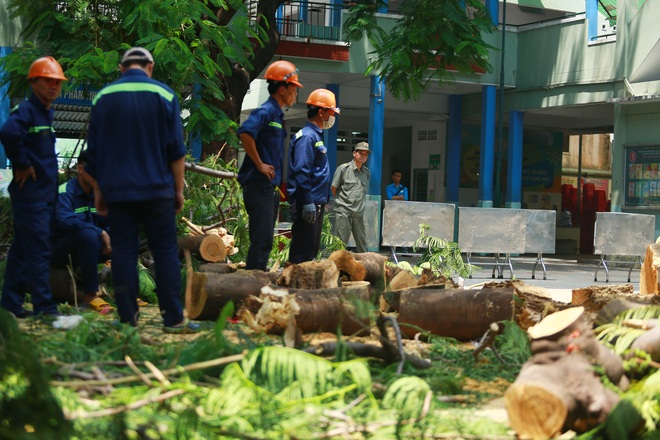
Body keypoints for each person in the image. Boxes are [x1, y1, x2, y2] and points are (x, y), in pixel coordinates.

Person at [85, 47, 197, 333]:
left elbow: (94, 155)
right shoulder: (165, 95)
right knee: (165, 252)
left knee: (123, 252)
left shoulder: (103, 97)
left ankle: (127, 319)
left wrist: (98, 191)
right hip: (157, 191)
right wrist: (177, 190)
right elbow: (176, 151)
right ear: (150, 66)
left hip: (118, 192)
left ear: (122, 68)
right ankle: (173, 319)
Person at [0, 56, 68, 318]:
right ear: (34, 82)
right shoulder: (27, 111)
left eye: (57, 82)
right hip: (31, 197)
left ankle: (10, 305)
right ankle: (45, 308)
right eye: (48, 81)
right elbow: (7, 132)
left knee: (20, 251)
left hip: (42, 195)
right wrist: (21, 163)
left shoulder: (45, 112)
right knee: (40, 250)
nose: (54, 87)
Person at [237, 60, 303, 270]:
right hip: (258, 186)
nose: (296, 94)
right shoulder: (266, 111)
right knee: (262, 239)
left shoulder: (277, 114)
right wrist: (260, 164)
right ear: (282, 89)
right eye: (294, 88)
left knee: (265, 239)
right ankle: (252, 286)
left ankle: (256, 282)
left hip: (268, 188)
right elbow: (245, 132)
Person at [50, 149, 113, 314]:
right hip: (59, 250)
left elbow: (108, 221)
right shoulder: (65, 192)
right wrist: (100, 232)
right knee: (88, 235)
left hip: (88, 248)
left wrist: (109, 235)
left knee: (125, 237)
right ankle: (90, 294)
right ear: (80, 169)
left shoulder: (97, 193)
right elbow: (66, 222)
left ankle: (125, 290)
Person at [286, 89, 340, 264]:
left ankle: (305, 288)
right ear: (321, 112)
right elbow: (302, 171)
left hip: (315, 202)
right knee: (303, 252)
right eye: (331, 112)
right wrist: (308, 201)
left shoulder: (316, 136)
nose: (333, 116)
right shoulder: (307, 137)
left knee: (311, 251)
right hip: (307, 203)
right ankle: (294, 287)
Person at [331, 142, 370, 253]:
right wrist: (341, 203)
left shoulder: (366, 172)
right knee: (341, 244)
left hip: (358, 214)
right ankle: (338, 268)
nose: (363, 156)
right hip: (344, 213)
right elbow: (334, 188)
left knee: (362, 245)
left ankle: (365, 269)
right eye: (361, 153)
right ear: (354, 153)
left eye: (366, 154)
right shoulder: (343, 169)